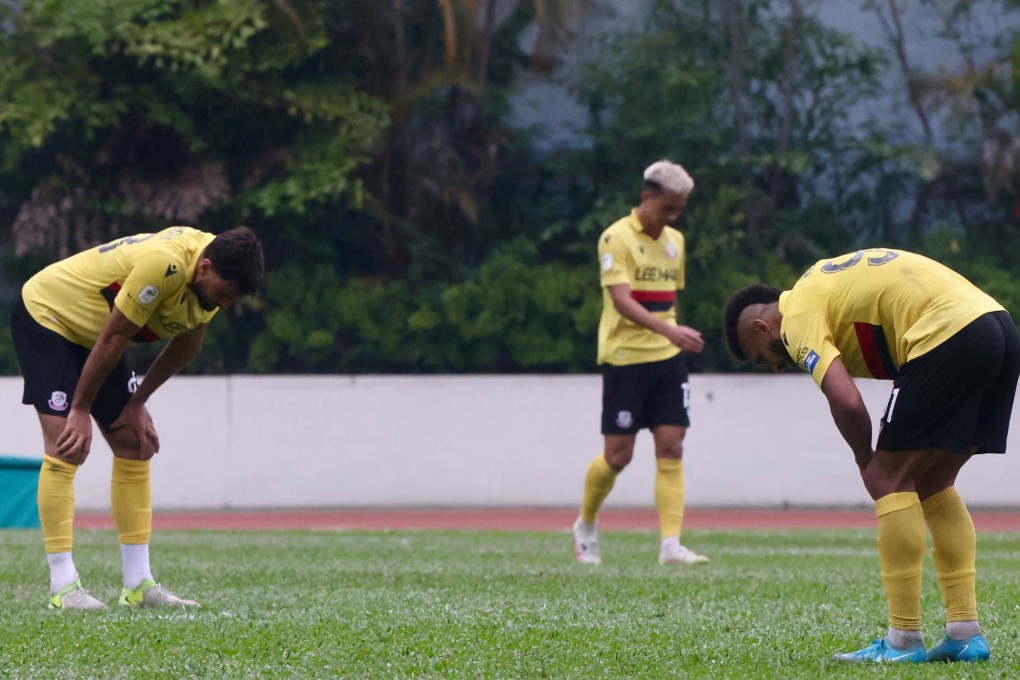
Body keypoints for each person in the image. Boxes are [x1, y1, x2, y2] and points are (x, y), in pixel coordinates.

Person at [723, 248, 1019, 664]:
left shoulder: (794, 318)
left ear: (761, 327)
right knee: (934, 482)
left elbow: (845, 400)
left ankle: (903, 641)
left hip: (947, 332)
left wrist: (867, 462)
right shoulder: (821, 284)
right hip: (998, 328)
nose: (774, 367)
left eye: (762, 358)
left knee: (888, 480)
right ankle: (965, 632)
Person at [10, 225, 265, 610]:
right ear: (205, 268)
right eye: (224, 295)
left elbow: (187, 344)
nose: (224, 304)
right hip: (50, 316)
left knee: (134, 442)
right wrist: (79, 410)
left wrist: (137, 403)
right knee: (67, 443)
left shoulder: (212, 272)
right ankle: (63, 586)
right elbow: (114, 339)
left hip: (99, 335)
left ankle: (138, 585)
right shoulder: (164, 264)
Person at [572, 160, 708, 567]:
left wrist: (672, 336)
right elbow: (621, 301)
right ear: (646, 196)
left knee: (672, 445)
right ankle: (585, 525)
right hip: (625, 358)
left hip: (667, 360)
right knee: (618, 455)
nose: (673, 217)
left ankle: (670, 545)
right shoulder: (615, 238)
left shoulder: (675, 242)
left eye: (679, 210)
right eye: (668, 208)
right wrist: (671, 331)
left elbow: (669, 298)